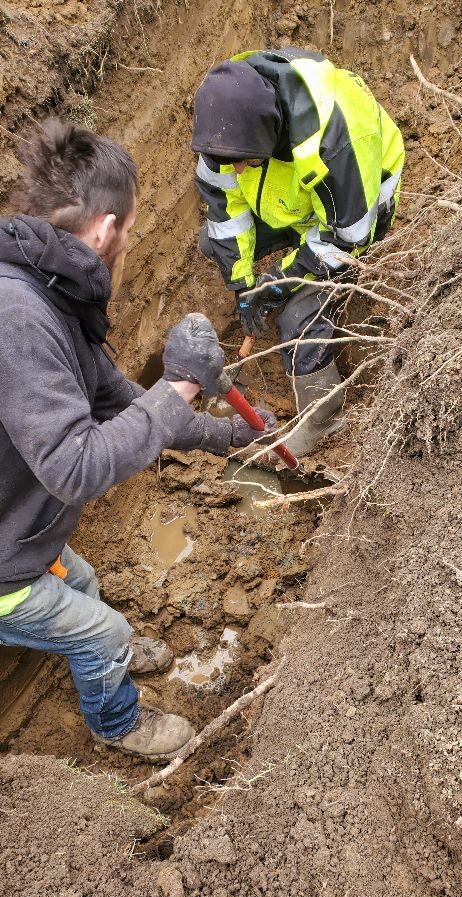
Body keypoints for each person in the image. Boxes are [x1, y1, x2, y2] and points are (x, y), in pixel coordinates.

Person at [0, 117, 275, 761]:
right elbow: (76, 466)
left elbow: (118, 399)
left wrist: (220, 435)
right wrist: (177, 389)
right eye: (129, 227)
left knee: (86, 584)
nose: (130, 240)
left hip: (22, 534)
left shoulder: (46, 292)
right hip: (2, 567)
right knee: (103, 631)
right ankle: (116, 720)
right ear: (104, 228)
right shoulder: (17, 319)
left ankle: (101, 651)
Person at [192, 47, 405, 456]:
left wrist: (277, 284)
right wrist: (243, 285)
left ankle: (321, 420)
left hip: (354, 212)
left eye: (244, 162)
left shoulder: (334, 140)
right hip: (295, 203)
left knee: (297, 316)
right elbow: (224, 213)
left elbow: (347, 238)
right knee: (211, 243)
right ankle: (284, 265)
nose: (235, 170)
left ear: (268, 135)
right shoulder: (226, 129)